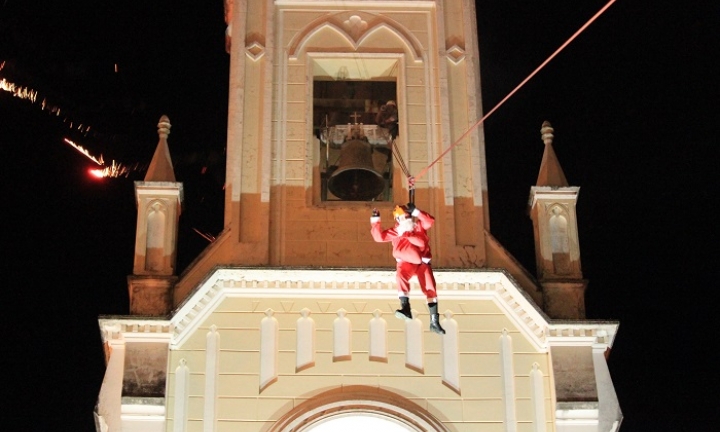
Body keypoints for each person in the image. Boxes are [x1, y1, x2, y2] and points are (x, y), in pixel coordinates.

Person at [370, 203, 445, 335]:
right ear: (398, 219)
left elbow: (429, 221)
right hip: (406, 263)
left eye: (408, 216)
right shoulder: (396, 232)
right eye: (403, 217)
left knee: (429, 288)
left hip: (422, 262)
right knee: (401, 277)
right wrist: (375, 220)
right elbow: (379, 237)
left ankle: (434, 321)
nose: (407, 219)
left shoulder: (418, 227)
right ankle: (406, 308)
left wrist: (416, 211)